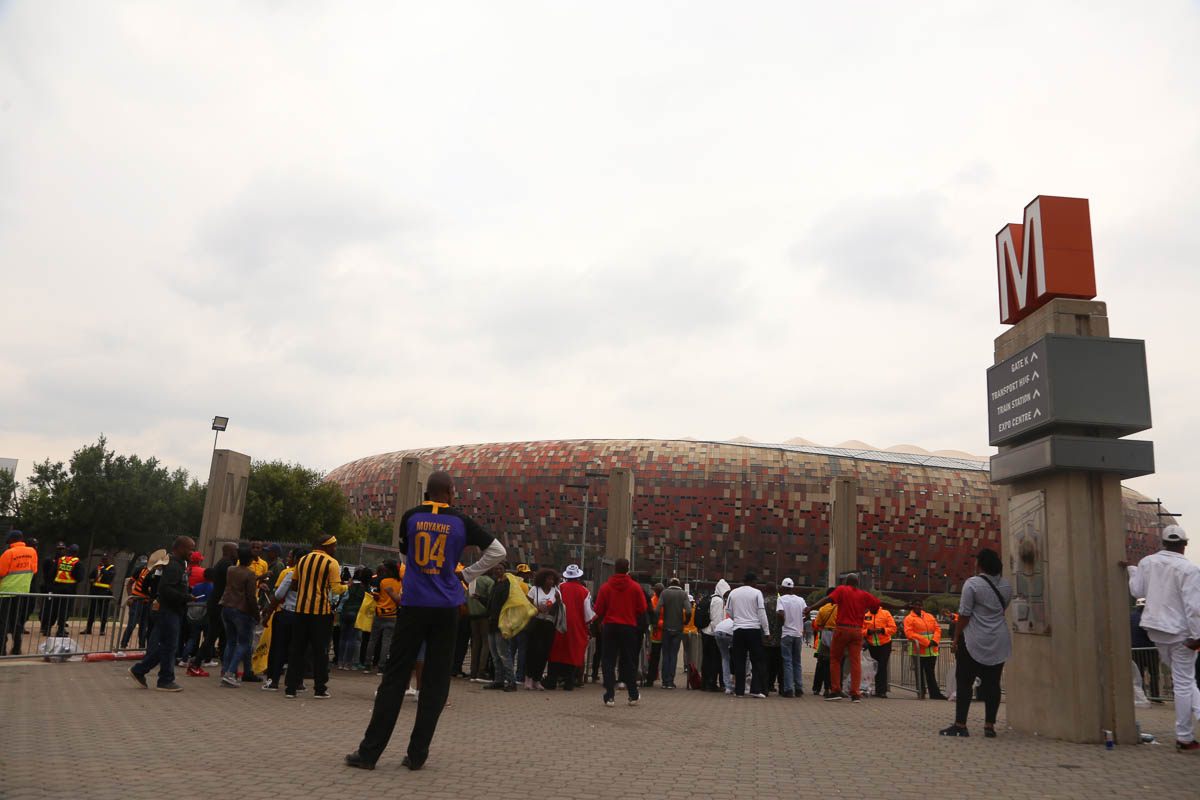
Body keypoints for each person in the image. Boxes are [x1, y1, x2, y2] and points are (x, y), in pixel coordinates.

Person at [346, 470, 505, 771]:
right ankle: (417, 754)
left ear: (427, 492)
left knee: (395, 676)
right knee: (436, 679)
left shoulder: (411, 517)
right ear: (452, 492)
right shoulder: (461, 521)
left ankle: (369, 753)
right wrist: (466, 574)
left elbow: (405, 556)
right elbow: (498, 551)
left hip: (415, 603)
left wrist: (419, 576)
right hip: (447, 606)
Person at [1122, 525, 1200, 751]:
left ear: (1163, 543)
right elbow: (1194, 607)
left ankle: (1186, 734)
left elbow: (1137, 591)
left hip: (1156, 630)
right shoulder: (1189, 569)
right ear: (1185, 544)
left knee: (1185, 680)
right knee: (1184, 683)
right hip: (1181, 633)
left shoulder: (1148, 562)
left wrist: (1132, 570)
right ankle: (1184, 737)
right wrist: (1198, 635)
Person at [940, 547, 1012, 737]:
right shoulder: (1006, 585)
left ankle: (960, 725)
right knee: (993, 683)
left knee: (964, 682)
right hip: (998, 639)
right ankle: (989, 726)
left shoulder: (972, 583)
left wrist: (956, 637)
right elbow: (1001, 608)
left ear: (979, 564)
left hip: (973, 639)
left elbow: (964, 614)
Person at [128, 537, 194, 692]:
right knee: (169, 646)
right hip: (168, 610)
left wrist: (187, 594)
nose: (192, 552)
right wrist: (184, 597)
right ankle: (164, 679)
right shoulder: (172, 565)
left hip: (171, 610)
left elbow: (174, 586)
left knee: (166, 646)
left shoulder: (178, 564)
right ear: (180, 548)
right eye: (190, 548)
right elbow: (165, 589)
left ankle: (141, 671)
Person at [285, 534, 346, 699]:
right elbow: (337, 589)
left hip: (300, 611)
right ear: (326, 546)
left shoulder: (303, 560)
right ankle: (320, 688)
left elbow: (294, 584)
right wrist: (347, 586)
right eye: (333, 546)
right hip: (321, 613)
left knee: (296, 649)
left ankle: (290, 688)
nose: (335, 549)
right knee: (321, 651)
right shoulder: (331, 563)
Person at [810, 573, 882, 703]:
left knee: (835, 659)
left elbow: (827, 599)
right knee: (855, 662)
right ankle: (855, 694)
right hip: (857, 631)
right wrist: (902, 607)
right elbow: (881, 603)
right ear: (858, 583)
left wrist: (811, 607)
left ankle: (835, 690)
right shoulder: (863, 594)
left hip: (842, 629)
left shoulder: (842, 590)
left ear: (846, 582)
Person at [593, 557, 647, 707]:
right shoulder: (635, 587)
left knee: (608, 661)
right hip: (629, 626)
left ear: (614, 569)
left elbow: (598, 610)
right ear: (628, 569)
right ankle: (633, 695)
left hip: (610, 626)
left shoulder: (606, 587)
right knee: (628, 661)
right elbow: (642, 608)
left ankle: (610, 695)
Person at [261, 548, 303, 690]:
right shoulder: (316, 577)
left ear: (297, 560)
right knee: (298, 650)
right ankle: (297, 683)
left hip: (286, 613)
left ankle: (273, 681)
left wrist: (267, 613)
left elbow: (278, 595)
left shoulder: (290, 574)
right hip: (305, 616)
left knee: (279, 648)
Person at [547, 564, 593, 690]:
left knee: (556, 651)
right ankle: (569, 682)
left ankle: (551, 680)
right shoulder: (585, 591)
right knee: (572, 652)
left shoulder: (559, 587)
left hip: (558, 623)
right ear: (579, 576)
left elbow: (551, 603)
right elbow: (588, 615)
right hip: (576, 626)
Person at [218, 547, 260, 688]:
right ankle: (230, 673)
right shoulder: (250, 573)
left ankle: (226, 672)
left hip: (226, 607)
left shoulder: (231, 570)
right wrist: (256, 613)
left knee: (230, 642)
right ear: (249, 560)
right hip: (241, 610)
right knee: (244, 643)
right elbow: (251, 596)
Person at [725, 572, 770, 698]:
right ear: (752, 581)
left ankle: (739, 691)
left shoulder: (733, 593)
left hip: (738, 630)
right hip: (753, 630)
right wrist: (766, 631)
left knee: (739, 660)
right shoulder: (757, 593)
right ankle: (755, 690)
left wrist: (737, 619)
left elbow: (728, 610)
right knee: (757, 661)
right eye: (756, 581)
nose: (757, 583)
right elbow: (761, 613)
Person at [0, 531, 38, 656]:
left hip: (5, 591)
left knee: (2, 621)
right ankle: (17, 648)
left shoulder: (9, 553)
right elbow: (34, 570)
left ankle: (2, 649)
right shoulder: (32, 552)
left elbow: (1, 571)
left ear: (12, 540)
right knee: (15, 620)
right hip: (22, 591)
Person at [524, 568, 561, 690]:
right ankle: (528, 678)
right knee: (533, 651)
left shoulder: (556, 591)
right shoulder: (535, 590)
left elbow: (559, 608)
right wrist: (538, 608)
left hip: (548, 624)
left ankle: (537, 679)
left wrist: (557, 601)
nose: (550, 581)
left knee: (544, 652)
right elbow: (527, 604)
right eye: (548, 579)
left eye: (552, 579)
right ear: (542, 579)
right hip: (536, 623)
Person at [483, 564, 516, 690]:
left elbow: (507, 604)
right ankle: (499, 680)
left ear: (505, 571)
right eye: (496, 569)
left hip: (502, 624)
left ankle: (511, 682)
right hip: (492, 623)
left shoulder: (507, 585)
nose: (498, 571)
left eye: (500, 569)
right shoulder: (495, 584)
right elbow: (491, 604)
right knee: (495, 654)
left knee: (504, 654)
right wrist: (480, 598)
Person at [903, 600, 945, 700]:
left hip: (931, 650)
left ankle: (934, 694)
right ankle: (921, 692)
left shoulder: (929, 616)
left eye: (920, 605)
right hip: (918, 651)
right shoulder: (909, 619)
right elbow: (910, 634)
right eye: (916, 605)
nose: (918, 607)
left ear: (922, 606)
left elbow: (937, 629)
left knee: (930, 673)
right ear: (912, 605)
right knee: (919, 673)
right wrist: (926, 642)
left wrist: (935, 640)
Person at [776, 578, 807, 697]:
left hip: (786, 634)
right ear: (792, 588)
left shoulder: (781, 599)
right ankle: (799, 688)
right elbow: (807, 613)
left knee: (787, 662)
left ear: (783, 588)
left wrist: (784, 622)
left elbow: (780, 613)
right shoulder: (801, 600)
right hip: (798, 635)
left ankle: (789, 689)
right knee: (797, 662)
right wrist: (801, 622)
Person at [370, 561, 402, 673]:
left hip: (379, 612)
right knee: (386, 641)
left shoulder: (382, 581)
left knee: (373, 640)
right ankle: (381, 666)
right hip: (392, 614)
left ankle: (367, 664)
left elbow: (376, 597)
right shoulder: (400, 582)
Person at [657, 577, 688, 689]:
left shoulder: (664, 593)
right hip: (678, 628)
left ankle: (664, 681)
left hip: (666, 627)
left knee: (665, 654)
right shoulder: (683, 594)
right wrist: (686, 621)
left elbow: (657, 609)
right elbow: (688, 610)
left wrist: (656, 623)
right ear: (679, 584)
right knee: (674, 655)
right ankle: (671, 681)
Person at [701, 578, 730, 691]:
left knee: (707, 659)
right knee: (714, 660)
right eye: (726, 592)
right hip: (712, 634)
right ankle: (712, 683)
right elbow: (716, 620)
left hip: (706, 632)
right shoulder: (718, 601)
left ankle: (705, 682)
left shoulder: (712, 598)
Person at [862, 605, 897, 699]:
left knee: (882, 666)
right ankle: (878, 690)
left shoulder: (885, 613)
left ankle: (883, 691)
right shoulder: (865, 615)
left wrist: (882, 630)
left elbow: (893, 628)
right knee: (876, 667)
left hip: (885, 644)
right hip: (872, 645)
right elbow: (861, 630)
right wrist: (869, 632)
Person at [338, 567, 369, 670]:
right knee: (352, 639)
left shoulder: (349, 584)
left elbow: (342, 595)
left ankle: (340, 662)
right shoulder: (365, 587)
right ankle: (348, 664)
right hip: (356, 613)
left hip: (345, 612)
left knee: (343, 638)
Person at [49, 543, 83, 637]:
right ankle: (60, 630)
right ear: (77, 552)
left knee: (54, 608)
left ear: (68, 551)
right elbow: (80, 577)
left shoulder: (60, 560)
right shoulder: (77, 563)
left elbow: (52, 573)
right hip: (69, 589)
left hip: (57, 587)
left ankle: (47, 628)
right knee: (65, 610)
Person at [1130, 599, 1161, 701]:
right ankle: (1155, 696)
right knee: (1154, 674)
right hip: (1150, 650)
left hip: (1135, 650)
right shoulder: (1148, 617)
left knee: (1140, 675)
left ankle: (1142, 696)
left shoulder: (1131, 617)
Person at [467, 566, 494, 680]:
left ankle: (473, 671)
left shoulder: (471, 582)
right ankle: (481, 671)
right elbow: (492, 598)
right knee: (486, 644)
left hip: (472, 616)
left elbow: (465, 598)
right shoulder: (488, 581)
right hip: (484, 617)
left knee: (475, 644)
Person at [119, 556, 152, 650]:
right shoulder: (140, 569)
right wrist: (130, 597)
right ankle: (123, 645)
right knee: (132, 624)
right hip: (137, 600)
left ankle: (142, 646)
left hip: (147, 602)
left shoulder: (155, 573)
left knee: (143, 626)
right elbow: (129, 583)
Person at [83, 553, 116, 636]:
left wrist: (102, 569)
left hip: (104, 593)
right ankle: (88, 629)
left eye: (105, 559)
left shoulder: (112, 569)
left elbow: (109, 577)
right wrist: (91, 580)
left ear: (109, 560)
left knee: (103, 612)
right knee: (92, 611)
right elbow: (90, 576)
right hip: (95, 592)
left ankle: (102, 630)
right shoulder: (97, 568)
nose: (103, 561)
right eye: (103, 559)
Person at [812, 600, 837, 697]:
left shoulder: (822, 609)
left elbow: (816, 625)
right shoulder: (840, 609)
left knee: (821, 664)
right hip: (836, 637)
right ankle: (829, 687)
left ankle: (816, 688)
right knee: (833, 664)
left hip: (823, 638)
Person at [39, 542, 64, 636]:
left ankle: (53, 625)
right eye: (59, 549)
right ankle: (44, 625)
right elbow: (46, 573)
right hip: (49, 586)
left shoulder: (63, 560)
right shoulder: (49, 560)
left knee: (56, 608)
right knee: (47, 607)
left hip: (58, 587)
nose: (61, 551)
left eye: (62, 549)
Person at [763, 581, 783, 694]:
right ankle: (773, 684)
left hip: (765, 638)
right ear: (776, 590)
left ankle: (765, 687)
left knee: (766, 663)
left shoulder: (763, 602)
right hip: (779, 638)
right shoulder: (781, 602)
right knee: (777, 663)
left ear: (766, 590)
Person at [643, 582, 665, 687]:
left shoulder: (655, 601)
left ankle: (652, 678)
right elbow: (655, 617)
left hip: (658, 633)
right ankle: (653, 677)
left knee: (655, 658)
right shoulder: (655, 601)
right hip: (657, 633)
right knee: (655, 658)